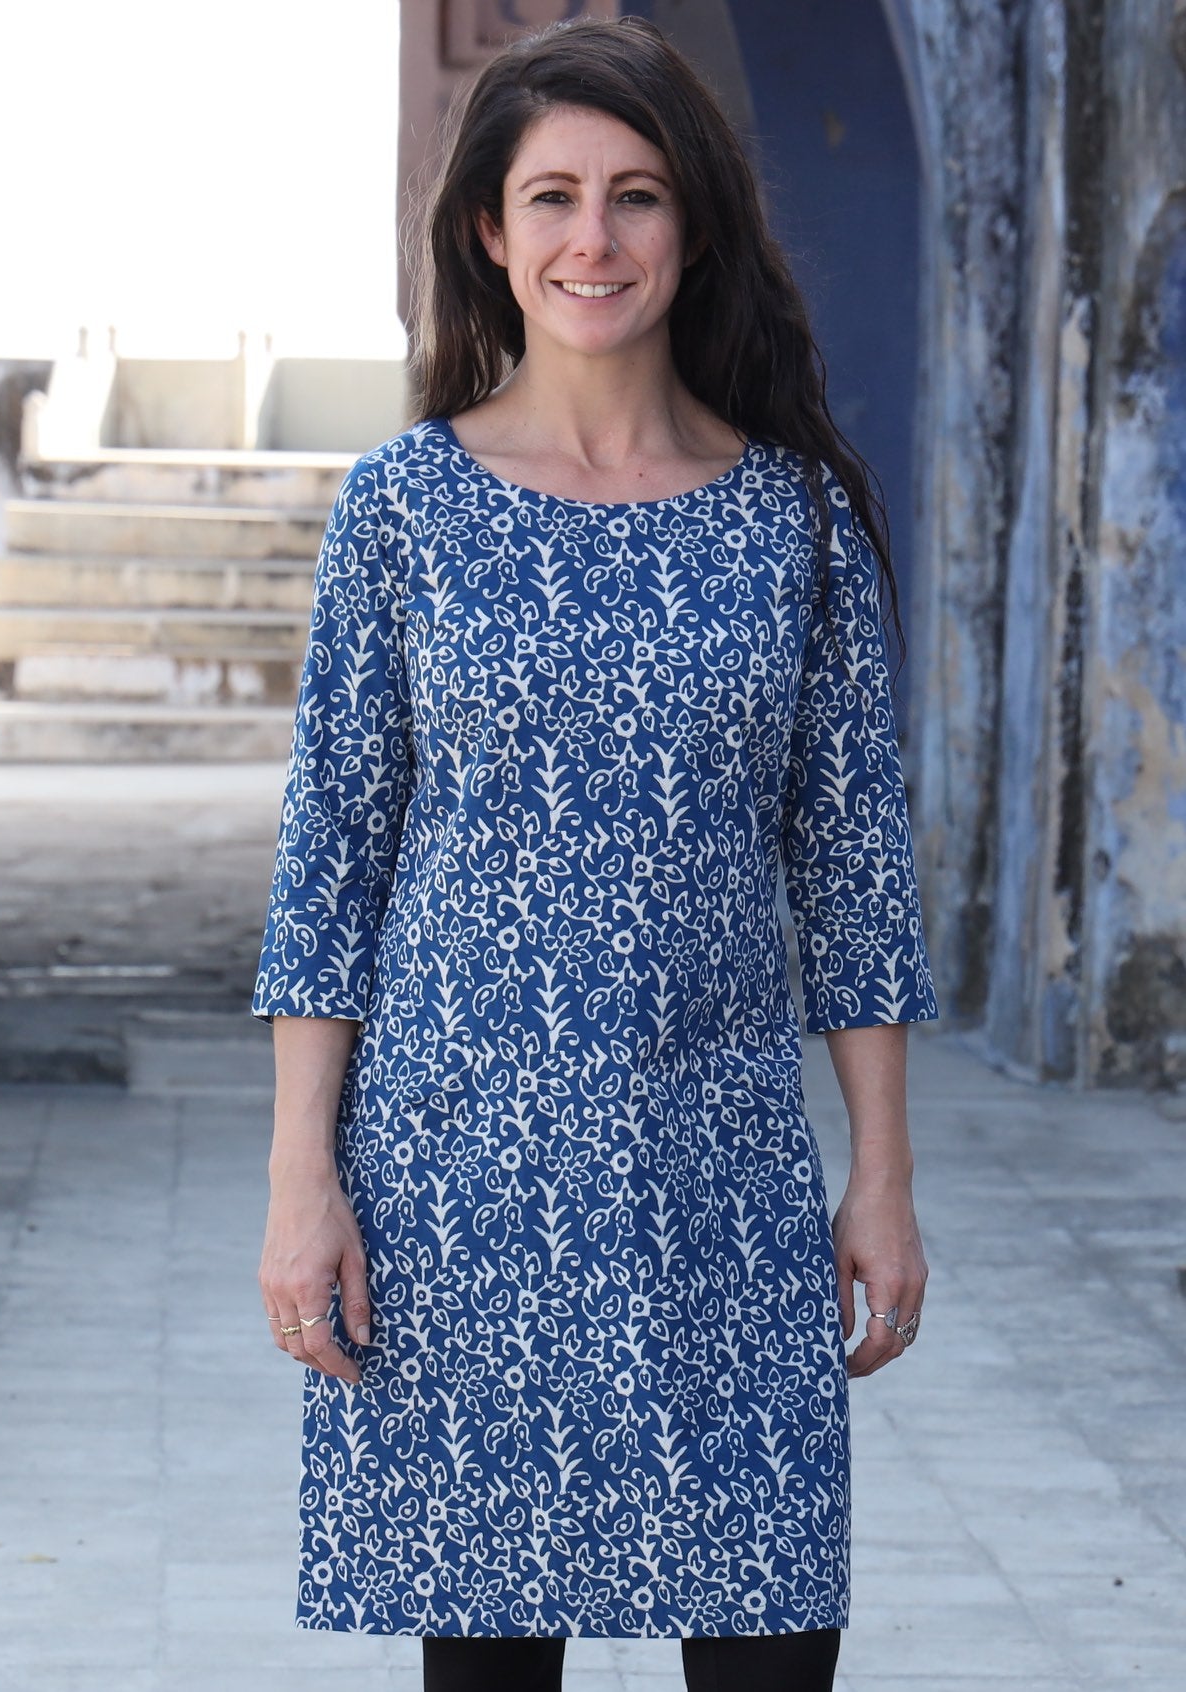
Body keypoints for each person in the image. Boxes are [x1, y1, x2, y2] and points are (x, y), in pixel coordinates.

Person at [254, 16, 938, 1692]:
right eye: (551, 196)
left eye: (635, 197)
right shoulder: (404, 507)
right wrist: (301, 1180)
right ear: (490, 228)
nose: (593, 238)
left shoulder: (794, 520)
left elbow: (852, 873)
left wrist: (885, 1173)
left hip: (723, 1186)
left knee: (771, 1640)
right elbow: (331, 860)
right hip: (459, 1183)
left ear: (691, 226)